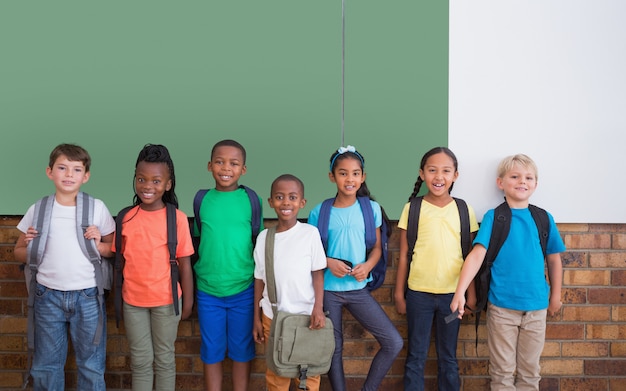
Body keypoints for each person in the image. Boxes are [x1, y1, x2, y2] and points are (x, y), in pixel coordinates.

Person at [450, 154, 565, 391]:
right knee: (501, 373)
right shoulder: (495, 217)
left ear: (535, 184)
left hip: (536, 308)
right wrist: (460, 292)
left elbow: (554, 259)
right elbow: (476, 255)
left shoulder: (543, 218)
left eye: (528, 177)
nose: (522, 181)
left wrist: (555, 296)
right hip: (502, 308)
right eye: (514, 176)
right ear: (500, 182)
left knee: (530, 372)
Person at [14, 143, 115, 390]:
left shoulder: (97, 208)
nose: (69, 175)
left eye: (76, 169)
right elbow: (18, 252)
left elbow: (113, 249)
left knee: (91, 365)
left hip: (88, 296)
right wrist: (30, 247)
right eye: (62, 168)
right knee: (46, 366)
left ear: (86, 176)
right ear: (50, 172)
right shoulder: (37, 209)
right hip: (47, 295)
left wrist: (98, 242)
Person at [308, 145, 403, 391]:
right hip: (328, 290)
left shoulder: (370, 209)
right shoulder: (319, 212)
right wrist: (329, 262)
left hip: (358, 288)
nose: (349, 179)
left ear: (363, 177)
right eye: (342, 173)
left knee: (393, 342)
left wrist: (368, 266)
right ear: (332, 176)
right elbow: (311, 253)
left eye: (355, 173)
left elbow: (378, 249)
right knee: (334, 348)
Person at [394, 146, 479, 391]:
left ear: (455, 175)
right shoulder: (413, 208)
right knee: (416, 356)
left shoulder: (464, 209)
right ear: (422, 174)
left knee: (448, 358)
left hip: (453, 298)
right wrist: (400, 294)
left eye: (445, 171)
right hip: (418, 296)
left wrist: (470, 294)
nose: (438, 177)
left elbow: (469, 257)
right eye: (432, 170)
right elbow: (404, 257)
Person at [113, 144, 194, 390]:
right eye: (142, 179)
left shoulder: (176, 218)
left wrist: (188, 301)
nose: (148, 186)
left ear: (168, 184)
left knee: (164, 359)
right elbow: (118, 257)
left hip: (167, 302)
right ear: (135, 179)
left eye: (156, 181)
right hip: (133, 302)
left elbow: (185, 264)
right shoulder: (125, 217)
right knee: (140, 361)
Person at [193, 139, 262, 391]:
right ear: (209, 165)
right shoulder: (202, 200)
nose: (226, 168)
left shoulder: (251, 200)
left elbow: (258, 243)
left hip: (243, 289)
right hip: (208, 290)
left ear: (243, 169)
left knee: (242, 351)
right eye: (220, 162)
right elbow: (198, 241)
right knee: (211, 351)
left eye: (234, 163)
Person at [252, 174, 327, 391]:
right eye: (279, 197)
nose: (286, 202)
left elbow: (317, 274)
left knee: (308, 372)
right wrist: (256, 318)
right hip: (272, 316)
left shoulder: (310, 234)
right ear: (270, 202)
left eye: (292, 197)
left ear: (302, 203)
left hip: (305, 316)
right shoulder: (265, 237)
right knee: (277, 373)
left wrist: (318, 308)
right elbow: (259, 279)